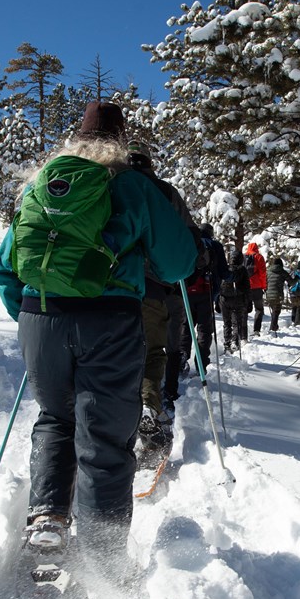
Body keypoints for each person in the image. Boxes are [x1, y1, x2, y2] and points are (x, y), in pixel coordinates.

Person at [0, 101, 196, 563]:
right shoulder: (131, 185)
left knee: (56, 417)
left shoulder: (43, 186)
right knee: (103, 435)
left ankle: (48, 519)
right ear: (121, 141)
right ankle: (102, 560)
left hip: (39, 317)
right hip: (110, 320)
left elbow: (8, 267)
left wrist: (33, 319)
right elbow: (177, 263)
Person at [126, 140, 196, 460]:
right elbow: (186, 238)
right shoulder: (166, 192)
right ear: (150, 162)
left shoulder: (111, 184)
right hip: (153, 287)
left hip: (108, 290)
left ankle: (109, 422)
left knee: (113, 356)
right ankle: (147, 410)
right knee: (153, 352)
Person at [182, 223, 227, 371]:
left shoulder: (188, 243)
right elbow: (224, 272)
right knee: (204, 330)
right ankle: (201, 364)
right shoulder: (215, 246)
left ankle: (182, 358)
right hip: (206, 292)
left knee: (186, 327)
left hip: (187, 291)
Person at [221, 250, 251, 353]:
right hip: (238, 299)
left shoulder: (225, 269)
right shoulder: (242, 270)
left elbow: (219, 284)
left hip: (224, 299)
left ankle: (227, 343)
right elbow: (247, 287)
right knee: (237, 322)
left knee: (226, 322)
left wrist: (217, 301)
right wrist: (249, 301)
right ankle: (235, 342)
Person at [244, 241, 267, 335]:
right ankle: (256, 330)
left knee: (244, 309)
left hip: (245, 287)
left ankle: (243, 333)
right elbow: (263, 274)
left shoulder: (243, 257)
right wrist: (264, 286)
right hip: (256, 287)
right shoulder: (259, 257)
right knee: (259, 309)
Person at [264, 256, 288, 332]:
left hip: (269, 295)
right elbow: (291, 282)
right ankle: (272, 328)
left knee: (274, 311)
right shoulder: (282, 271)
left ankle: (274, 326)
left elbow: (264, 283)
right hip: (278, 295)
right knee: (276, 312)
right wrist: (297, 278)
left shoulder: (268, 271)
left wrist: (265, 290)